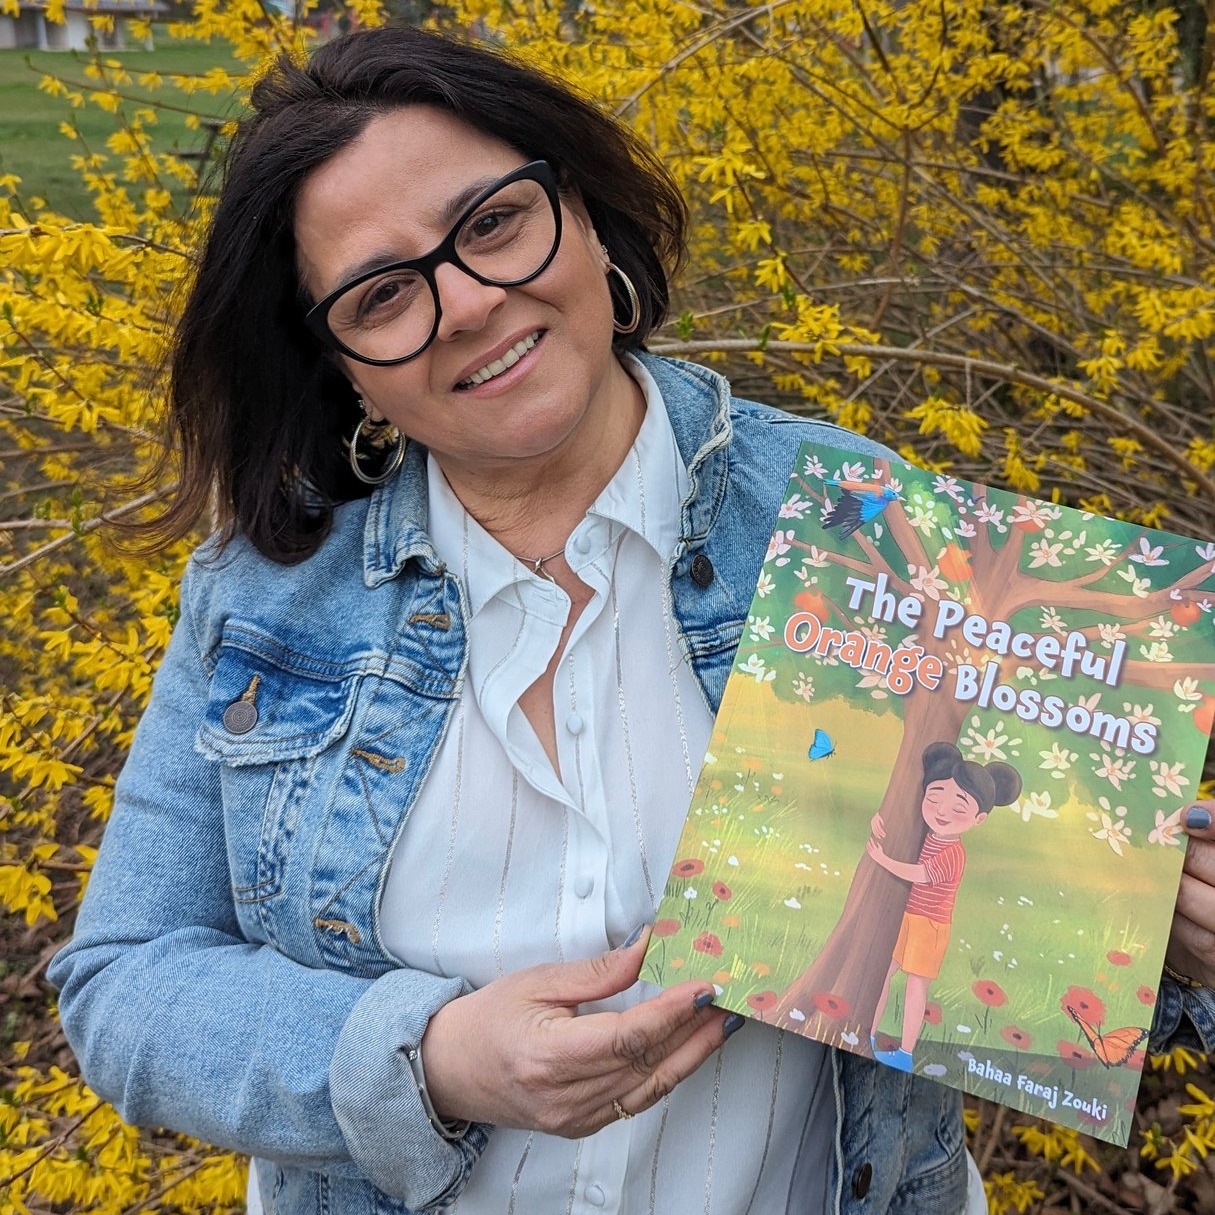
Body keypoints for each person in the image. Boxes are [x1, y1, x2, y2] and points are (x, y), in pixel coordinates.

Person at [47, 25, 1215, 1215]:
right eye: (383, 292)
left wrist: (1152, 917)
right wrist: (430, 1059)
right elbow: (125, 983)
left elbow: (993, 906)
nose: (466, 303)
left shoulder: (855, 523)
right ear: (341, 363)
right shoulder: (270, 590)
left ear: (588, 214)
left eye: (494, 222)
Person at [867, 743, 1021, 1072]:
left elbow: (921, 874)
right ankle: (869, 1032)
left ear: (978, 819)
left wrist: (882, 859)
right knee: (882, 972)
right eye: (934, 797)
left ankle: (906, 1053)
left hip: (931, 926)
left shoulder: (954, 853)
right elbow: (899, 829)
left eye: (958, 806)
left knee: (915, 986)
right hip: (908, 917)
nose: (941, 810)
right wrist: (880, 821)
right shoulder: (929, 833)